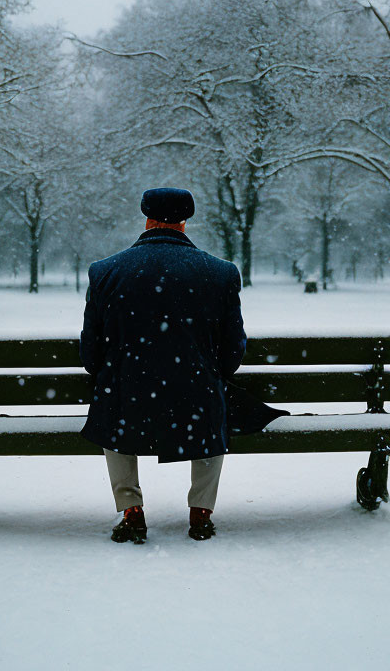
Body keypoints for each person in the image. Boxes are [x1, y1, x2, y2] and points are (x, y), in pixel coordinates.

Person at [79, 187, 247, 543]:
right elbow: (232, 355)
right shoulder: (220, 273)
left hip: (128, 400)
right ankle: (201, 511)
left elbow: (90, 356)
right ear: (185, 222)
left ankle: (131, 509)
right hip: (194, 401)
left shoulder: (106, 272)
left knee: (113, 400)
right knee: (212, 400)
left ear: (147, 218)